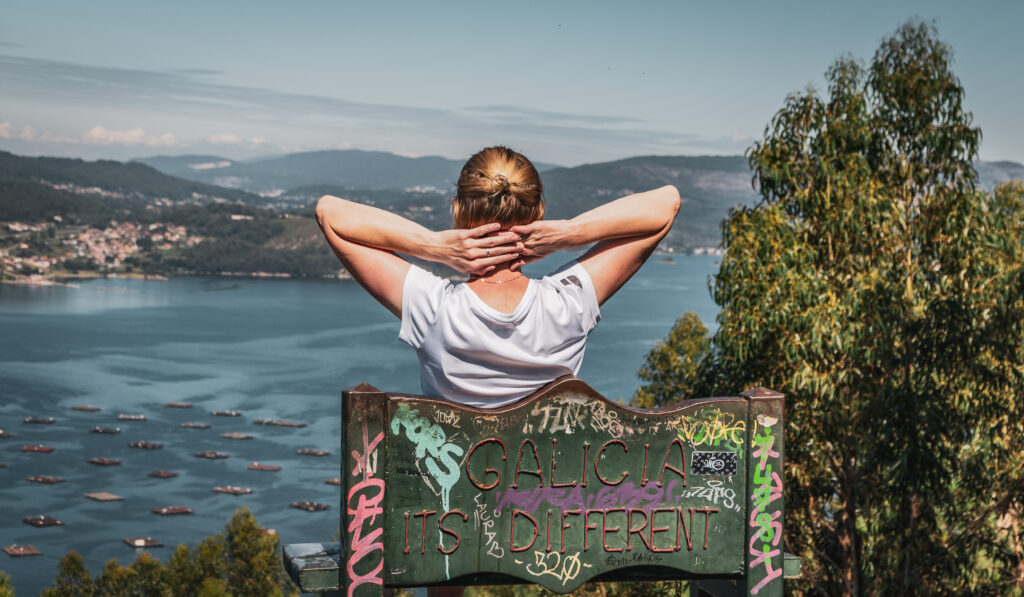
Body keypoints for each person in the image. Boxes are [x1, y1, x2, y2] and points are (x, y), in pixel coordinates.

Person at [315, 145, 679, 408]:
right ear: (538, 212)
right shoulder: (570, 301)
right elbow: (665, 204)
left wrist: (433, 245)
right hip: (548, 511)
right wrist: (571, 232)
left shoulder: (433, 307)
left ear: (456, 210)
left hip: (454, 513)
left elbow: (330, 212)